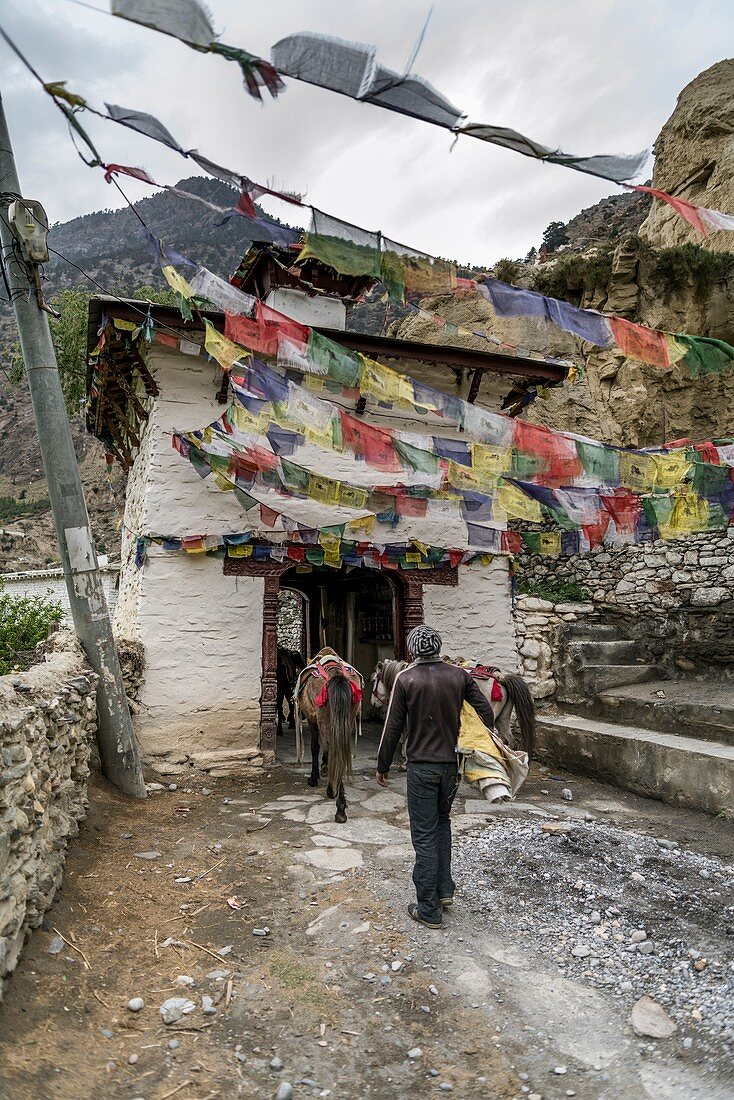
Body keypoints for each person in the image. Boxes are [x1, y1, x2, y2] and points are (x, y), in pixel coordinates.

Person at [375, 625, 497, 929]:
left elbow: (392, 728)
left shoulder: (406, 679)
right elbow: (487, 713)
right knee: (442, 825)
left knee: (424, 835)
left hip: (420, 769)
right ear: (438, 647)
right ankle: (445, 892)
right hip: (451, 767)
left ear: (413, 649)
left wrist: (382, 765)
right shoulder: (459, 676)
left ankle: (428, 909)